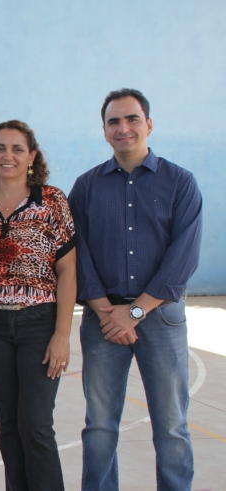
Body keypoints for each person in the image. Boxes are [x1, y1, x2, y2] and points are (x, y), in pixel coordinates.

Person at [68, 88, 202, 491]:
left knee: (172, 426)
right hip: (102, 320)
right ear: (105, 131)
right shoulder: (87, 186)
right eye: (114, 121)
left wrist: (137, 311)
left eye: (131, 119)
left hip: (160, 317)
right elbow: (77, 254)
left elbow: (183, 257)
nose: (123, 128)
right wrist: (108, 310)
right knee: (100, 426)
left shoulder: (180, 182)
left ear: (149, 124)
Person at [0, 120, 76, 491]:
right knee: (8, 425)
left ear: (32, 156)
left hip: (39, 323)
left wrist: (62, 334)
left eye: (16, 148)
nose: (7, 155)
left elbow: (68, 271)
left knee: (36, 425)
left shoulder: (51, 201)